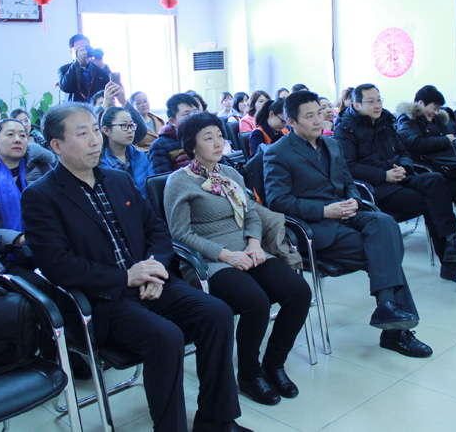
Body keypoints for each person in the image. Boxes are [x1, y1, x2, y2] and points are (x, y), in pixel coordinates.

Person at [21, 102, 250, 432]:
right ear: (56, 145)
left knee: (217, 314)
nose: (95, 140)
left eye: (95, 130)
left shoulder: (118, 180)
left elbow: (156, 229)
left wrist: (154, 268)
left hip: (152, 281)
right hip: (103, 299)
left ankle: (216, 421)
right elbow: (57, 265)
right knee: (166, 338)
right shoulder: (41, 196)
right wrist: (126, 277)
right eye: (82, 134)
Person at [264, 91, 432, 358]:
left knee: (386, 224)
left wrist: (353, 199)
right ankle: (394, 329)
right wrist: (324, 210)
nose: (318, 120)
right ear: (292, 122)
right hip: (317, 226)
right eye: (309, 116)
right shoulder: (278, 153)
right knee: (384, 251)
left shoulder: (331, 144)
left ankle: (386, 307)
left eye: (320, 113)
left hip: (347, 212)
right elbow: (278, 201)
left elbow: (349, 182)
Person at [165, 113, 311, 406]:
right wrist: (224, 254)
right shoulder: (178, 182)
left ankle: (274, 364)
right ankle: (249, 373)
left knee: (299, 292)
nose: (218, 142)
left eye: (220, 135)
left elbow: (251, 214)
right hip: (208, 261)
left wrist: (255, 243)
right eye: (208, 138)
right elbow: (179, 234)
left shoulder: (230, 174)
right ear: (191, 145)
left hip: (246, 251)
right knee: (255, 302)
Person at [334, 84, 456, 285]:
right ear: (356, 105)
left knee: (435, 179)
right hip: (375, 187)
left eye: (379, 100)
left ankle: (452, 241)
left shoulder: (385, 121)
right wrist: (384, 175)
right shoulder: (345, 128)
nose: (377, 105)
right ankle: (450, 264)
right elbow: (349, 167)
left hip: (398, 177)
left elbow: (404, 151)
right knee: (430, 201)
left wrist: (404, 167)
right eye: (371, 101)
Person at [0, 118, 56, 268]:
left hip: (50, 246)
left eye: (22, 135)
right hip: (6, 255)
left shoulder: (43, 168)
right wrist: (19, 239)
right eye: (10, 134)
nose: (17, 140)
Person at [396, 85, 456, 214]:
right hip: (425, 167)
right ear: (421, 103)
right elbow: (415, 143)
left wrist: (455, 139)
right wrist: (446, 140)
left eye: (438, 109)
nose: (436, 112)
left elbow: (444, 139)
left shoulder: (437, 119)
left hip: (444, 164)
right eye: (434, 108)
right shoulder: (407, 120)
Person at [99, 106, 154, 197]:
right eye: (123, 126)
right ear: (106, 130)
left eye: (131, 125)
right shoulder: (100, 163)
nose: (130, 131)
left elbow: (152, 188)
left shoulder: (139, 155)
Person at [148, 93, 199, 173]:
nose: (193, 118)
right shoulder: (160, 146)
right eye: (186, 114)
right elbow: (163, 178)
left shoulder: (206, 137)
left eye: (195, 113)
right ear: (173, 121)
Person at [59, 34, 111, 103]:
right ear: (72, 52)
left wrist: (102, 67)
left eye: (85, 48)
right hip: (76, 109)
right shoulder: (65, 69)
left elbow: (114, 89)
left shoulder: (98, 67)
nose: (84, 53)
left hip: (98, 108)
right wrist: (77, 63)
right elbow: (66, 88)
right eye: (80, 50)